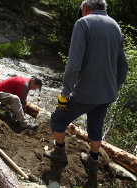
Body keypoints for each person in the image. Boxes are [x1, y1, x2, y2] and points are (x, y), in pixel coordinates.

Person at [43, 0, 128, 176]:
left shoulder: (84, 23)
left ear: (85, 8)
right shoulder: (115, 26)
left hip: (85, 92)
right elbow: (123, 65)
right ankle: (93, 160)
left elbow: (74, 64)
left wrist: (65, 93)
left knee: (58, 119)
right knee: (96, 126)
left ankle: (59, 153)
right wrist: (115, 86)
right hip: (107, 93)